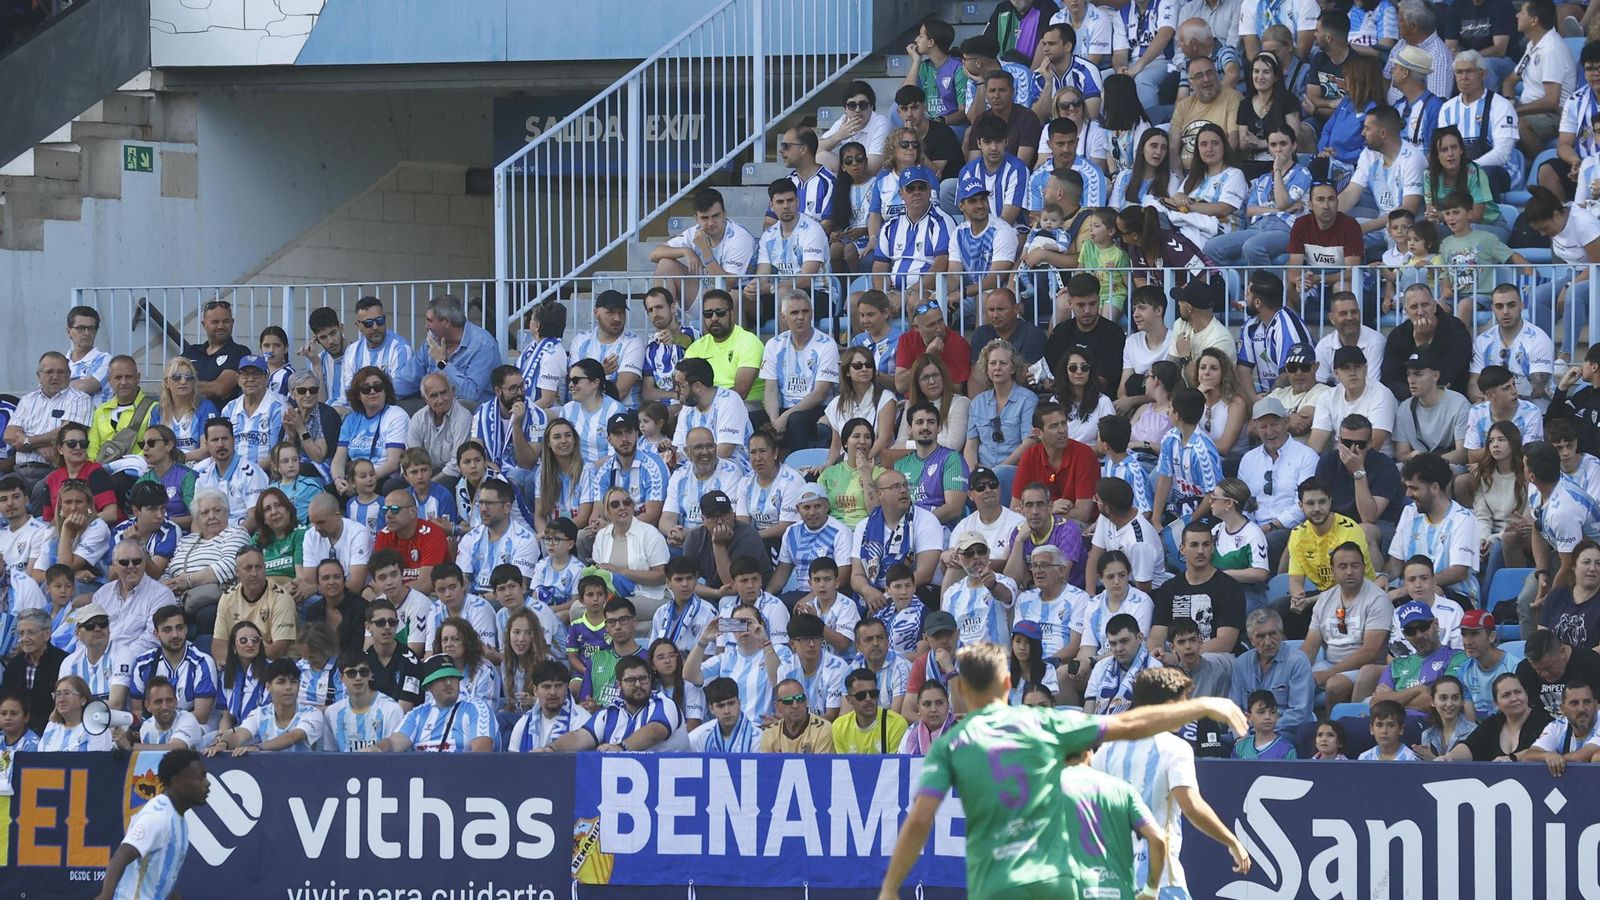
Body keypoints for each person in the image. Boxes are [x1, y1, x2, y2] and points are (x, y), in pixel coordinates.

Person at [877, 642, 1249, 900]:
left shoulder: (952, 745)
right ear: (1009, 684)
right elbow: (1130, 724)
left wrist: (892, 886)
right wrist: (1201, 706)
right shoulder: (1045, 725)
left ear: (960, 688)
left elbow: (920, 819)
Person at [1094, 667, 1253, 895]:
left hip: (1111, 880)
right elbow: (1191, 805)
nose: (1188, 705)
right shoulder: (1175, 748)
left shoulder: (1106, 750)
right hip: (1161, 881)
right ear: (1170, 707)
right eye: (1185, 700)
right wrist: (1232, 842)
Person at [92, 748, 210, 900]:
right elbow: (123, 854)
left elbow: (162, 880)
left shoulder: (180, 821)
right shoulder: (157, 817)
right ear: (177, 782)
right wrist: (106, 895)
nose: (207, 783)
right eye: (200, 778)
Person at [1302, 541, 1394, 705]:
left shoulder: (1378, 599)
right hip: (1329, 663)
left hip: (1364, 668)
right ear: (1333, 571)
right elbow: (1310, 647)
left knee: (1335, 685)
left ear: (1364, 567)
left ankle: (1331, 728)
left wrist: (1328, 674)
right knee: (1294, 681)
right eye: (1343, 566)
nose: (1350, 572)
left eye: (1355, 565)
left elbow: (1369, 652)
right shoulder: (1324, 599)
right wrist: (1294, 672)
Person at [1384, 453, 1480, 607]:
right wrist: (1383, 577)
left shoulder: (1463, 519)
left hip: (1456, 595)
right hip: (1412, 592)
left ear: (1435, 488)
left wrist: (1408, 589)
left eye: (1414, 488)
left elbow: (1457, 572)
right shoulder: (1409, 512)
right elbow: (1395, 563)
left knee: (1434, 592)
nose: (1408, 494)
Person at [759, 290, 838, 454]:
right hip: (782, 408)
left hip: (815, 408)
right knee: (754, 418)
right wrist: (775, 421)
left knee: (796, 420)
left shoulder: (826, 344)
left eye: (805, 311)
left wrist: (785, 418)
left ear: (812, 314)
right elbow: (770, 389)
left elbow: (819, 394)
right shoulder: (774, 344)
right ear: (783, 317)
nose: (801, 317)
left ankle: (799, 470)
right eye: (794, 313)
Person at [1150, 521, 1245, 655]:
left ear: (1212, 547)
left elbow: (1225, 643)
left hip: (1216, 660)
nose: (1200, 551)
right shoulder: (1168, 588)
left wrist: (1181, 658)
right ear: (1182, 549)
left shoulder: (1229, 587)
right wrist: (1157, 655)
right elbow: (1156, 637)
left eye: (1206, 545)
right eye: (1194, 545)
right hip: (1176, 659)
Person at [205, 658, 322, 755]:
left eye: (294, 682)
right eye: (281, 682)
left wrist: (258, 748)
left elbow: (292, 737)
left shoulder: (312, 713)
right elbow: (240, 735)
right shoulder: (259, 714)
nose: (288, 687)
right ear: (268, 686)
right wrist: (223, 744)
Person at [1372, 600, 1468, 712]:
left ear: (1435, 624)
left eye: (1423, 627)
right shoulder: (1395, 666)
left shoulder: (1457, 657)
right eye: (1411, 631)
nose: (1419, 635)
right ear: (1404, 635)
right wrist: (1419, 689)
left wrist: (1392, 697)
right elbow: (1376, 703)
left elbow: (1442, 703)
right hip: (1395, 726)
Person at [211, 545, 296, 661]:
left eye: (259, 567)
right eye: (248, 568)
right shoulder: (227, 597)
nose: (254, 573)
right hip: (240, 664)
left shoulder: (281, 598)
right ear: (237, 572)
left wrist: (246, 662)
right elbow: (219, 645)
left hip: (275, 663)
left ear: (265, 568)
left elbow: (280, 647)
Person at [1448, 671, 1554, 759]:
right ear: (1496, 703)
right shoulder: (1493, 723)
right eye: (1506, 695)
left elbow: (1543, 750)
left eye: (1518, 692)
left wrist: (1511, 759)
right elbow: (1469, 747)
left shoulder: (1545, 722)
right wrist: (1448, 758)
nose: (1514, 698)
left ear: (1526, 694)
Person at [318, 650, 406, 752]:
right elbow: (330, 756)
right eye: (351, 673)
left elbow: (394, 755)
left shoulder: (391, 709)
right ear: (341, 677)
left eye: (363, 672)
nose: (358, 678)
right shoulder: (332, 713)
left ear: (370, 674)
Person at [507, 660, 591, 751]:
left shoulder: (582, 720)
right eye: (546, 687)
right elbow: (513, 761)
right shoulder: (524, 722)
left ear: (567, 688)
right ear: (535, 690)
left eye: (558, 686)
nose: (553, 692)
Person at [181, 299, 252, 405]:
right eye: (215, 322)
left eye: (226, 321)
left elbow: (219, 389)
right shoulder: (191, 352)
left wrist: (185, 386)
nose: (221, 326)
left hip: (221, 419)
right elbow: (171, 383)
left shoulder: (240, 352)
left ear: (232, 322)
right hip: (186, 416)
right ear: (204, 324)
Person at [1522, 680, 1600, 775]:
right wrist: (1548, 756)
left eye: (1587, 702)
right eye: (1574, 703)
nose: (1581, 709)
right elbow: (1527, 758)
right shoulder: (1557, 726)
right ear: (1563, 709)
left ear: (1596, 705)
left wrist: (1557, 759)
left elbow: (1581, 757)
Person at [1519, 628, 1600, 718]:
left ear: (1562, 651)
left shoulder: (1591, 663)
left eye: (1548, 668)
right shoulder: (1525, 670)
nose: (1545, 674)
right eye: (1538, 670)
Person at [1461, 609, 1524, 720]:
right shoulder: (1464, 671)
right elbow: (1470, 722)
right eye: (1464, 635)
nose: (1467, 642)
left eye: (1474, 634)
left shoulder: (1515, 667)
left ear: (1491, 637)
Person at [1541, 539, 1600, 649]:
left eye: (1598, 563)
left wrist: (1568, 660)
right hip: (1552, 663)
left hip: (1590, 664)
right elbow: (1542, 637)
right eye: (1586, 562)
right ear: (1573, 566)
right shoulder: (1556, 596)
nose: (1593, 568)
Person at [759, 675, 836, 752]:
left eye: (800, 698)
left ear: (806, 701)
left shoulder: (822, 729)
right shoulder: (770, 733)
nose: (795, 705)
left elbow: (821, 764)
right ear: (777, 706)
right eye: (788, 700)